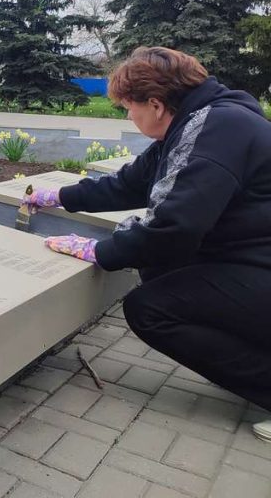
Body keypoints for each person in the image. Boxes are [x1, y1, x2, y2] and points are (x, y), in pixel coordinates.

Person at [24, 47, 271, 440]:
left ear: (155, 104)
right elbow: (131, 183)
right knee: (158, 269)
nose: (128, 117)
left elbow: (175, 225)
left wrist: (100, 252)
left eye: (128, 107)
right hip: (249, 259)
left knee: (149, 309)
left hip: (259, 268)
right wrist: (60, 196)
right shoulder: (199, 122)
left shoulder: (218, 129)